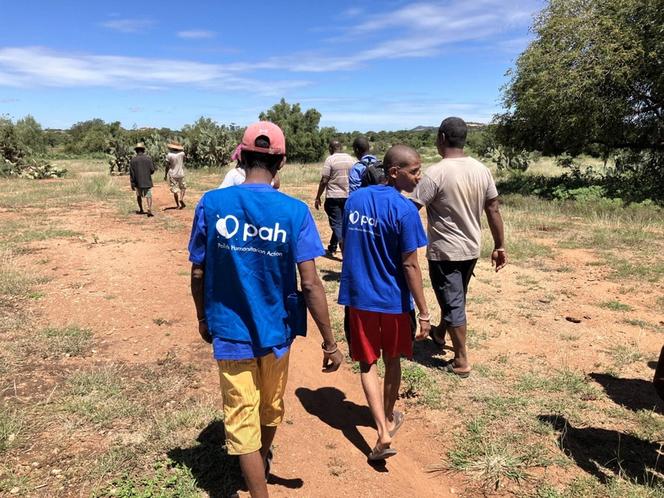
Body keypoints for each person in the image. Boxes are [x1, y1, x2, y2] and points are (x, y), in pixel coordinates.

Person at [188, 121, 343, 498]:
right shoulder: (294, 211)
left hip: (229, 329)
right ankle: (261, 464)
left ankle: (253, 466)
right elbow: (310, 283)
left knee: (242, 418)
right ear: (283, 162)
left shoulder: (212, 204)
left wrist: (202, 317)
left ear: (240, 156)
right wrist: (329, 341)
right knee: (271, 406)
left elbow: (197, 270)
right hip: (278, 330)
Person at [338, 144, 431, 461]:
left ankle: (382, 428)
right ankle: (387, 421)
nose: (419, 177)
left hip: (359, 298)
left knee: (367, 364)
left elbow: (349, 243)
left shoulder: (355, 200)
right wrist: (425, 312)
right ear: (395, 172)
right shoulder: (405, 211)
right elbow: (410, 266)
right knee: (392, 360)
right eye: (415, 171)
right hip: (393, 302)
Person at [411, 117, 507, 378]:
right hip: (471, 249)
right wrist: (499, 245)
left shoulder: (436, 173)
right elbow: (493, 208)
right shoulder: (481, 169)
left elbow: (412, 209)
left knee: (453, 301)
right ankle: (441, 333)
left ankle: (461, 359)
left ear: (441, 137)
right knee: (455, 296)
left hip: (445, 251)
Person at [314, 140, 355, 256]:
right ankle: (332, 246)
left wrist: (318, 197)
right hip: (349, 196)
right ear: (341, 147)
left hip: (333, 196)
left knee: (337, 223)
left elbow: (324, 180)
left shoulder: (330, 159)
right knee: (340, 222)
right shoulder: (351, 159)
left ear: (330, 148)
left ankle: (344, 249)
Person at [129, 142, 156, 217]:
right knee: (148, 195)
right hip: (147, 180)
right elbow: (152, 170)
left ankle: (141, 209)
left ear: (136, 151)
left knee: (138, 196)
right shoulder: (148, 159)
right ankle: (149, 208)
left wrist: (132, 183)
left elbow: (132, 173)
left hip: (137, 181)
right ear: (143, 150)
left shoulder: (133, 160)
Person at [165, 142, 186, 209]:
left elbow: (167, 165)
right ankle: (181, 198)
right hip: (180, 173)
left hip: (172, 174)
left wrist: (165, 174)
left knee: (175, 190)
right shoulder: (182, 154)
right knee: (183, 187)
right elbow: (184, 160)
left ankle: (177, 205)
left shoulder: (169, 155)